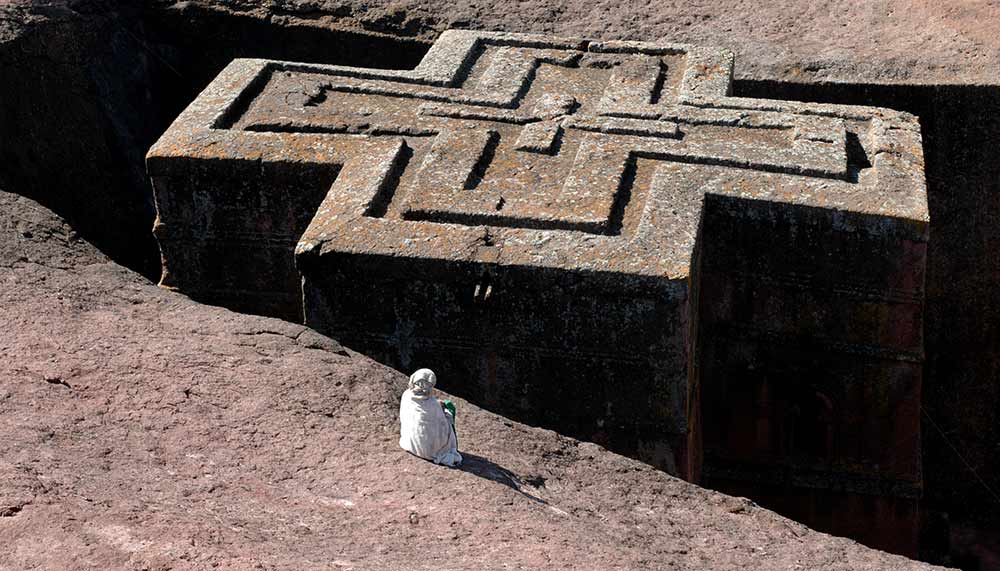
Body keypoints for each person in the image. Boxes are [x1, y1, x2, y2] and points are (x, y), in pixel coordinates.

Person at [398, 368, 461, 467]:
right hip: (430, 450)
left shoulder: (406, 395)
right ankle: (439, 448)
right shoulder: (432, 403)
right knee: (447, 417)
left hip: (409, 443)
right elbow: (441, 424)